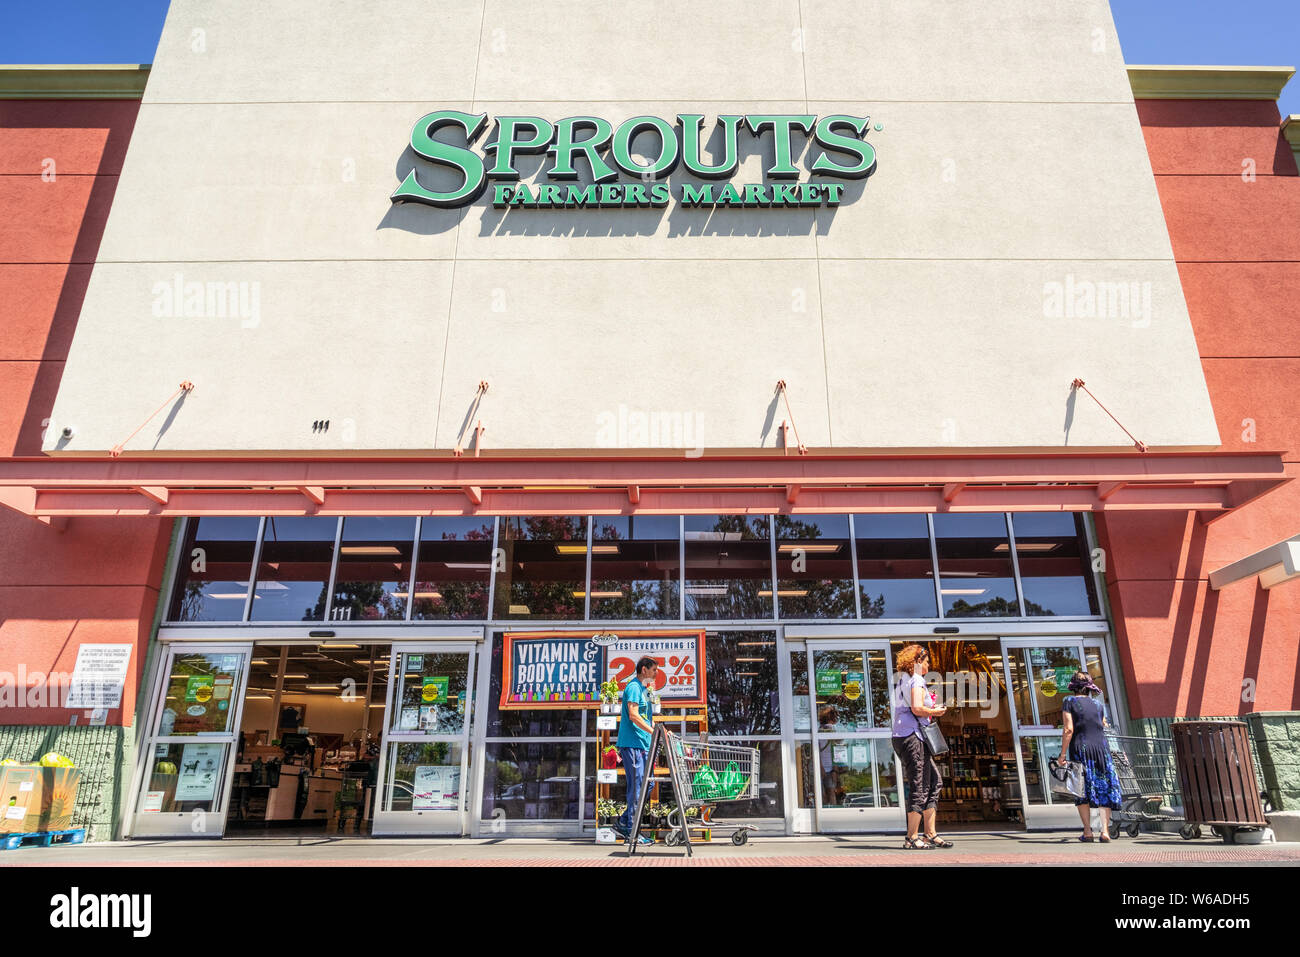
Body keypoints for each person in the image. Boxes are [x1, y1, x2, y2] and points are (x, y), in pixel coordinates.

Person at [891, 644, 950, 849]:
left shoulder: (903, 681)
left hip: (907, 736)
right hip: (911, 737)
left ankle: (929, 833)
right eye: (926, 661)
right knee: (920, 785)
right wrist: (936, 710)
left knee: (934, 781)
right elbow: (917, 708)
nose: (928, 664)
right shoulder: (915, 679)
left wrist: (929, 708)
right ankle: (911, 837)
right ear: (917, 661)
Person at [1057, 670, 1121, 842]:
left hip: (1081, 749)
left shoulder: (1069, 701)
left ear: (1073, 687)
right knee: (1104, 787)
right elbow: (1103, 726)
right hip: (1102, 750)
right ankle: (1105, 831)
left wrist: (1062, 754)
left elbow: (1068, 729)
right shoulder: (1098, 705)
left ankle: (1087, 831)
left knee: (1082, 789)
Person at [614, 656, 660, 845]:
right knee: (637, 788)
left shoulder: (643, 689)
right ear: (644, 670)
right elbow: (633, 715)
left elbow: (648, 715)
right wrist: (653, 731)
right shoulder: (633, 687)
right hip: (633, 744)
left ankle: (624, 821)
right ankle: (633, 832)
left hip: (643, 744)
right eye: (654, 670)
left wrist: (656, 731)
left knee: (647, 785)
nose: (656, 673)